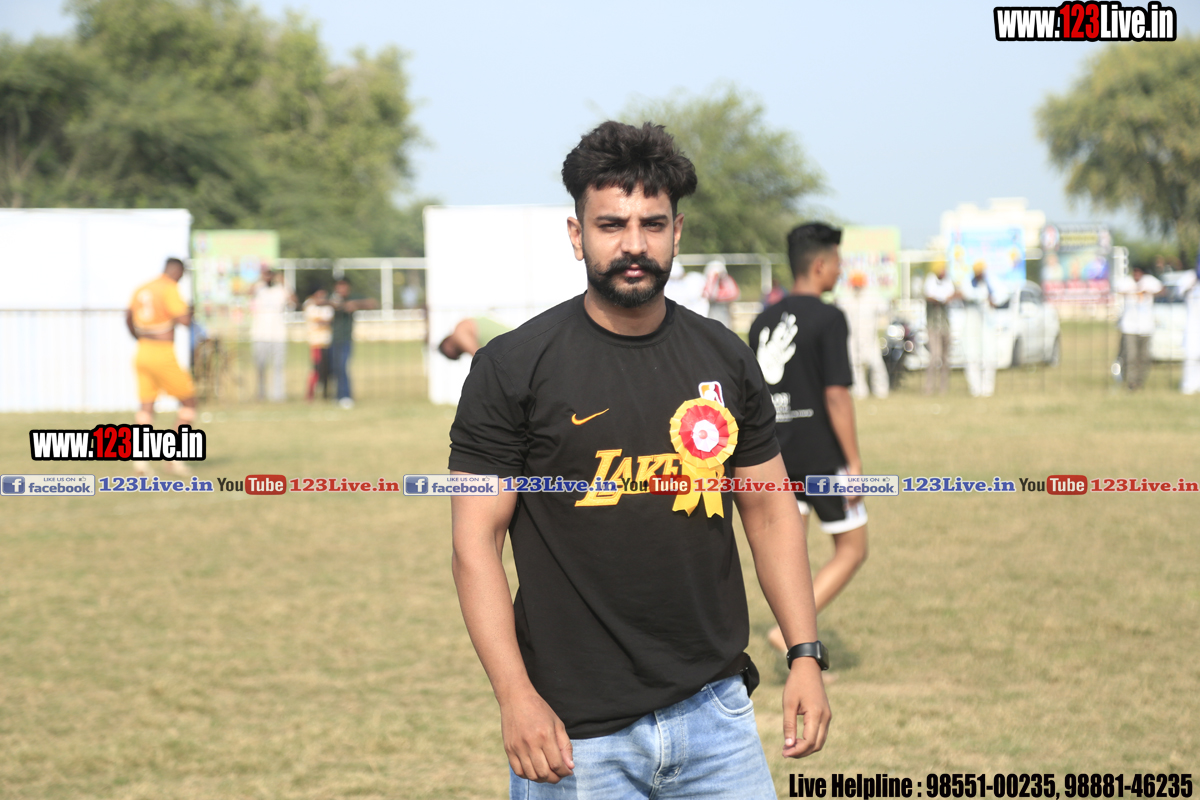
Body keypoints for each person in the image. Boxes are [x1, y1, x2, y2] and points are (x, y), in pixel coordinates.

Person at [449, 121, 830, 799]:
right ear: (577, 235)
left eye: (652, 224)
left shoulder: (724, 355)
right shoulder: (512, 368)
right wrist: (515, 696)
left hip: (716, 716)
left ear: (676, 232)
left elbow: (771, 512)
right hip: (573, 736)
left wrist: (804, 652)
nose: (633, 244)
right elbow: (475, 543)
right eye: (611, 224)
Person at [750, 223, 870, 667]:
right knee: (853, 549)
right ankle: (787, 635)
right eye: (837, 262)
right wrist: (853, 462)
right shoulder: (829, 318)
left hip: (776, 457)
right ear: (820, 265)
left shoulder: (762, 320)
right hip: (822, 458)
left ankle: (796, 649)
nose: (840, 270)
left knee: (791, 559)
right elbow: (836, 395)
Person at [125, 257, 197, 477]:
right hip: (162, 353)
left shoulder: (143, 287)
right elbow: (184, 320)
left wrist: (138, 336)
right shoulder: (169, 288)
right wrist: (191, 311)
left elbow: (127, 316)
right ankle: (174, 458)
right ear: (176, 271)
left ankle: (140, 462)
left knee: (146, 406)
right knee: (189, 401)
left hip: (142, 351)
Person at [838, 270, 889, 398]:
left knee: (876, 364)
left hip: (870, 338)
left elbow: (884, 309)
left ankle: (881, 391)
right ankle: (859, 391)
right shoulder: (846, 299)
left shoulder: (872, 298)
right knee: (855, 366)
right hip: (852, 338)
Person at [328, 278, 378, 408]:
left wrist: (355, 304)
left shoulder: (353, 298)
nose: (341, 289)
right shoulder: (332, 298)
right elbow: (318, 301)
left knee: (343, 366)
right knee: (335, 368)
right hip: (333, 340)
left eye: (343, 286)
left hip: (345, 339)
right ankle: (338, 395)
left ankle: (346, 396)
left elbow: (372, 303)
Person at [1115, 265, 1163, 391]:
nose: (1136, 274)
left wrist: (1148, 292)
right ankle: (1131, 382)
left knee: (1144, 357)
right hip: (1129, 327)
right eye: (1134, 272)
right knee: (1130, 356)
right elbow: (1118, 290)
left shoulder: (1149, 281)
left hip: (1146, 326)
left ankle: (1139, 382)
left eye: (1139, 272)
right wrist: (1132, 291)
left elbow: (1162, 290)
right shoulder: (1126, 282)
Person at [249, 269, 293, 402]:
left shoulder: (280, 289)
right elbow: (247, 292)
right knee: (260, 366)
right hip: (260, 334)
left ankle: (278, 395)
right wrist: (260, 278)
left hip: (278, 334)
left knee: (278, 366)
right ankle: (261, 393)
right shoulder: (259, 288)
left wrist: (283, 281)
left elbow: (292, 299)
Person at [961, 261, 999, 397]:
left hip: (987, 325)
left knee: (989, 356)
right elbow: (968, 295)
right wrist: (983, 297)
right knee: (972, 357)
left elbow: (997, 299)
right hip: (972, 326)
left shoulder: (989, 283)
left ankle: (987, 388)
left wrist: (990, 298)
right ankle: (975, 388)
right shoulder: (967, 283)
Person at [923, 261, 958, 394]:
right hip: (933, 326)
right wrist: (940, 299)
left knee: (945, 358)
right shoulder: (930, 281)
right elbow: (930, 296)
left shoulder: (948, 282)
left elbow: (952, 295)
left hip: (945, 326)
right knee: (935, 356)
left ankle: (943, 388)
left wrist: (945, 298)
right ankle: (929, 387)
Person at [303, 288, 333, 401]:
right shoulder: (310, 307)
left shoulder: (327, 308)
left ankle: (326, 393)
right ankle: (310, 394)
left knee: (327, 370)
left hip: (327, 342)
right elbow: (322, 320)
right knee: (316, 369)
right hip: (316, 343)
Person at [437, 316, 511, 360]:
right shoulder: (465, 327)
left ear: (448, 348)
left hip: (511, 346)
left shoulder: (459, 331)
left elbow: (480, 357)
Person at [1180, 260, 1200, 395]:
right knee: (1191, 356)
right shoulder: (1189, 277)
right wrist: (1194, 282)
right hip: (1192, 325)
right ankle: (1188, 386)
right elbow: (1180, 292)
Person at [702, 258, 739, 327]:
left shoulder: (727, 281)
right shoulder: (711, 282)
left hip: (725, 310)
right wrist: (715, 280)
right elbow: (710, 295)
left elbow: (735, 294)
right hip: (714, 311)